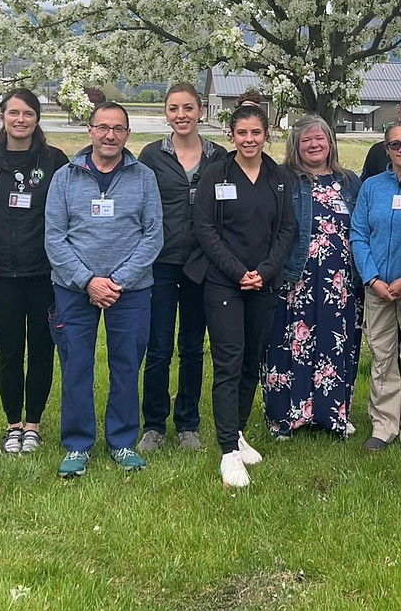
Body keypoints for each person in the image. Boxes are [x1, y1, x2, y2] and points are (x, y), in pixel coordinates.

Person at [45, 102, 164, 478]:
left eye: (118, 129)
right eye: (103, 127)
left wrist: (118, 280)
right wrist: (88, 281)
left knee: (127, 365)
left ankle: (122, 441)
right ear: (90, 130)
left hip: (129, 290)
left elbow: (153, 235)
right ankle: (78, 445)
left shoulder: (143, 176)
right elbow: (54, 238)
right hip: (74, 288)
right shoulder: (65, 177)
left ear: (127, 134)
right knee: (76, 366)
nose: (109, 135)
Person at [188, 104, 296, 487]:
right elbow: (204, 229)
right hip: (223, 284)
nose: (249, 140)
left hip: (263, 284)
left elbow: (287, 230)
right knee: (229, 363)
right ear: (231, 135)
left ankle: (237, 432)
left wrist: (263, 273)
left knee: (252, 363)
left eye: (256, 133)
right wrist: (238, 272)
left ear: (267, 135)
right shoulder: (216, 174)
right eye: (242, 133)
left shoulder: (278, 176)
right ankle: (227, 452)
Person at [0, 89, 70, 455]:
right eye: (13, 113)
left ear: (37, 118)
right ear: (2, 116)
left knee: (42, 348)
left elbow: (67, 214)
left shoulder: (54, 161)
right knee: (10, 349)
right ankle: (12, 423)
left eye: (28, 113)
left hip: (44, 272)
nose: (20, 120)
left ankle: (33, 424)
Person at [136, 83, 227, 453]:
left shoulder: (219, 157)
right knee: (157, 347)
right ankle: (154, 425)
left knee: (192, 347)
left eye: (188, 108)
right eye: (174, 108)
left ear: (201, 110)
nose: (181, 115)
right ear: (166, 113)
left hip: (202, 265)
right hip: (159, 263)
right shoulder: (151, 156)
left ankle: (188, 423)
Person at [263, 115, 363, 439]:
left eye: (320, 138)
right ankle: (286, 418)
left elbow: (361, 229)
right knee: (291, 342)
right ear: (296, 145)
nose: (314, 144)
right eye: (306, 139)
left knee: (336, 343)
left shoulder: (349, 182)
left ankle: (332, 415)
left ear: (331, 142)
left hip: (339, 282)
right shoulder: (284, 179)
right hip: (296, 278)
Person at [351, 122, 401, 450]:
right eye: (396, 145)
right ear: (386, 149)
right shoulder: (371, 187)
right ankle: (384, 424)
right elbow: (358, 233)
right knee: (383, 357)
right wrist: (372, 278)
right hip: (378, 289)